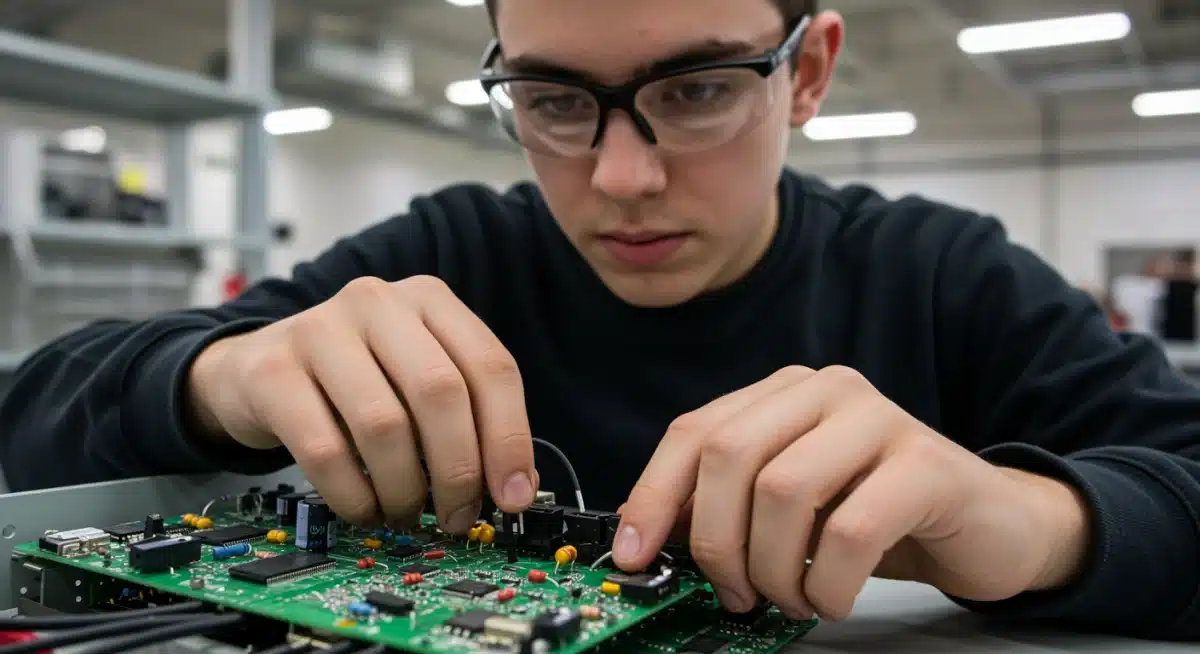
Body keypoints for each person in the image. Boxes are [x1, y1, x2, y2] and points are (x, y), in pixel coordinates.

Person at [1, 0, 1198, 641]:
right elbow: (37, 419)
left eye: (696, 90)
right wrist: (220, 373)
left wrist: (1032, 522)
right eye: (554, 100)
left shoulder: (944, 274)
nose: (622, 177)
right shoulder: (445, 250)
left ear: (811, 72)